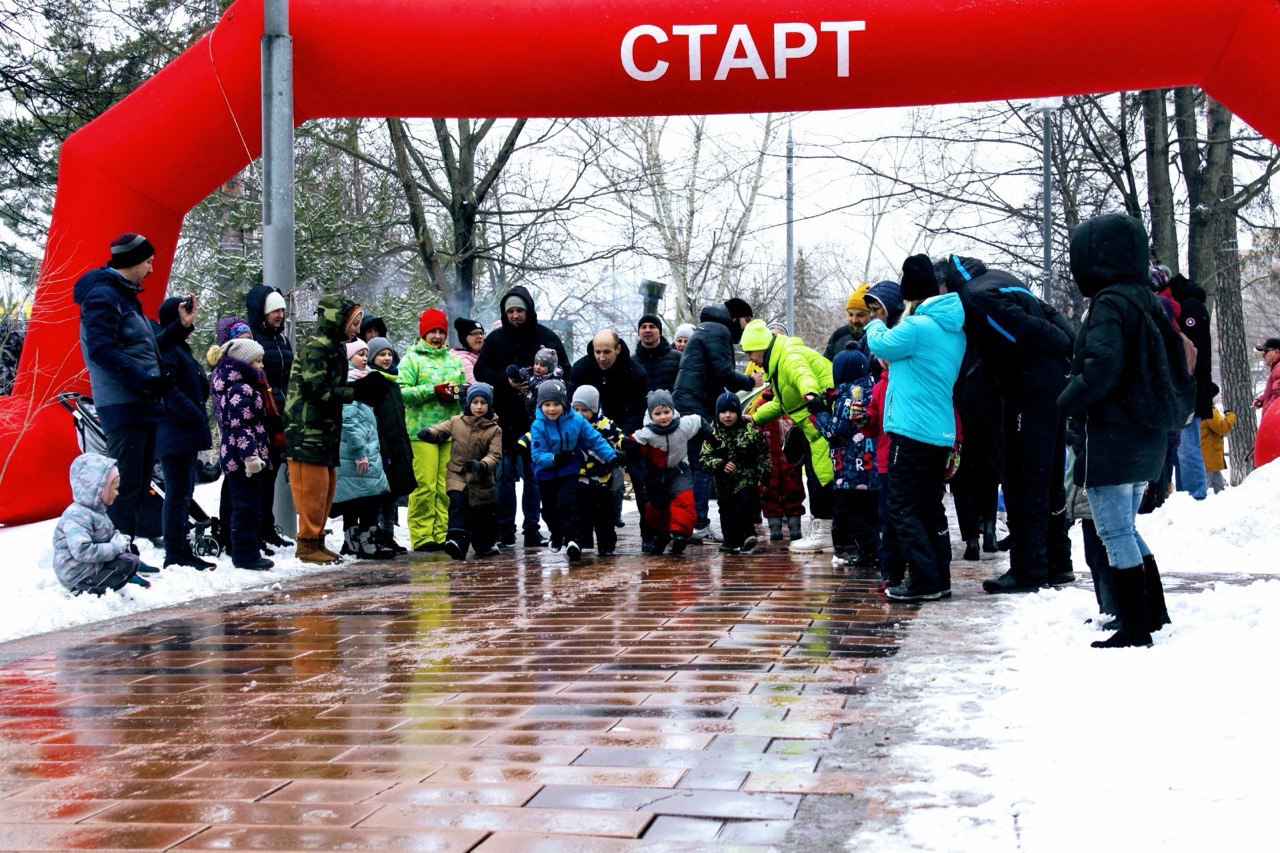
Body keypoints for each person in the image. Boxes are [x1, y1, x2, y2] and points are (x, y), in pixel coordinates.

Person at [1059, 212, 1175, 649]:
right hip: (1144, 431)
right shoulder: (1146, 298)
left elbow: (1101, 368)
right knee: (1125, 526)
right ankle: (1152, 612)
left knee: (1114, 531)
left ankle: (1134, 626)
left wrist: (1065, 401)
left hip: (1112, 433)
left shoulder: (1109, 303)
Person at [934, 252, 1076, 593]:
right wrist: (1065, 346)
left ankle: (1029, 570)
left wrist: (1060, 344)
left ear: (945, 283)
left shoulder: (976, 297)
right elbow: (1050, 314)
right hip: (1050, 384)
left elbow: (1030, 329)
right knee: (1049, 475)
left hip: (1028, 387)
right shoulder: (1000, 278)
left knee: (1025, 477)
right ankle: (1058, 564)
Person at [74, 233, 184, 562]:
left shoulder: (124, 299)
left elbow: (143, 346)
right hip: (123, 403)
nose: (152, 269)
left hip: (140, 402)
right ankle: (111, 559)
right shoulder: (103, 298)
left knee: (134, 484)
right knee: (123, 485)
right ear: (132, 262)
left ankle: (125, 553)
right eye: (148, 262)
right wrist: (146, 381)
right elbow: (102, 350)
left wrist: (180, 328)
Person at [864, 255, 966, 601]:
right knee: (930, 506)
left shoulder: (918, 326)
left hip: (911, 431)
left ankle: (923, 581)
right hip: (940, 431)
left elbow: (879, 345)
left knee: (903, 506)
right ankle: (940, 578)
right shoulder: (953, 330)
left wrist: (875, 321)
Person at [473, 285, 568, 547]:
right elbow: (481, 371)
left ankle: (531, 528)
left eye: (520, 310)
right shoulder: (495, 340)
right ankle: (505, 528)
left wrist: (547, 385)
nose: (515, 315)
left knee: (534, 475)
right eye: (511, 311)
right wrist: (506, 381)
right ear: (505, 314)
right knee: (504, 475)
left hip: (537, 420)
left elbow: (566, 370)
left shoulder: (546, 337)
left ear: (528, 311)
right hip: (504, 418)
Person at [740, 319, 836, 553]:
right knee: (816, 476)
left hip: (822, 421)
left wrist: (811, 394)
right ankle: (823, 530)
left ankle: (825, 534)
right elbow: (782, 403)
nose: (750, 359)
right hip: (814, 423)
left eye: (751, 352)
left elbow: (803, 376)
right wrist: (756, 417)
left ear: (762, 347)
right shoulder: (777, 362)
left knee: (822, 477)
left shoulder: (789, 357)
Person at [285, 294, 367, 564]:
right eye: (354, 323)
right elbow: (315, 389)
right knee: (311, 487)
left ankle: (316, 539)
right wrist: (354, 391)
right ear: (339, 320)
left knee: (325, 486)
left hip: (324, 428)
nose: (357, 329)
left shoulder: (332, 347)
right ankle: (307, 543)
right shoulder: (316, 347)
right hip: (307, 429)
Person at [673, 305, 753, 540]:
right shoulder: (718, 330)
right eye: (746, 320)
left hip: (690, 402)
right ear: (736, 318)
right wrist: (751, 380)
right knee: (703, 466)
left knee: (694, 465)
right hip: (697, 406)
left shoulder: (706, 329)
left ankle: (691, 522)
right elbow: (723, 373)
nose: (746, 327)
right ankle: (699, 524)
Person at [153, 295, 214, 570]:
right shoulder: (168, 349)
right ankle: (175, 552)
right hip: (175, 430)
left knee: (183, 492)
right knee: (178, 493)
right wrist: (192, 411)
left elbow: (197, 387)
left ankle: (180, 550)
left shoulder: (179, 348)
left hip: (182, 430)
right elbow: (170, 390)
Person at [399, 308, 466, 552]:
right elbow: (401, 392)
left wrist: (459, 393)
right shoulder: (411, 359)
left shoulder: (453, 359)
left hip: (448, 432)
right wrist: (432, 390)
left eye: (441, 331)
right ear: (423, 333)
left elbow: (461, 389)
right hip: (420, 432)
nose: (437, 336)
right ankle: (421, 536)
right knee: (424, 486)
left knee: (444, 487)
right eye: (433, 331)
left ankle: (441, 534)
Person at [529, 379, 617, 561]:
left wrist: (611, 455)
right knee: (550, 510)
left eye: (556, 404)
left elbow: (594, 439)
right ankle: (556, 534)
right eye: (547, 405)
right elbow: (537, 455)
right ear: (540, 405)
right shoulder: (538, 425)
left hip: (568, 470)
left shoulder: (576, 420)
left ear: (564, 404)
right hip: (546, 473)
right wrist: (554, 458)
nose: (551, 409)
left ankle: (573, 539)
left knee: (568, 503)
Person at [418, 383, 504, 560]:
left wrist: (481, 465)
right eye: (475, 402)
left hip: (482, 478)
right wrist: (429, 433)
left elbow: (495, 455)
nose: (479, 407)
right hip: (457, 473)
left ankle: (484, 544)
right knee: (458, 505)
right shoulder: (457, 421)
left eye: (483, 402)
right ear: (469, 403)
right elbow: (440, 430)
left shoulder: (494, 429)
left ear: (489, 405)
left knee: (482, 514)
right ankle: (456, 541)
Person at [812, 345, 879, 568]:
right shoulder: (871, 390)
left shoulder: (846, 398)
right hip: (872, 466)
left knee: (849, 513)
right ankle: (869, 553)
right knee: (869, 513)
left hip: (850, 469)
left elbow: (833, 432)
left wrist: (818, 411)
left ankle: (871, 551)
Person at [211, 337, 274, 570]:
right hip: (242, 459)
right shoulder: (240, 388)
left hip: (244, 455)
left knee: (248, 505)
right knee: (245, 506)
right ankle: (245, 554)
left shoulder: (244, 386)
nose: (261, 366)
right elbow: (240, 426)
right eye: (257, 361)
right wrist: (250, 457)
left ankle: (248, 550)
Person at [53, 453, 151, 595]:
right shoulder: (77, 515)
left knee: (131, 560)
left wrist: (120, 541)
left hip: (91, 568)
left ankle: (109, 586)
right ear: (99, 489)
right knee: (128, 562)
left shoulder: (97, 512)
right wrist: (115, 547)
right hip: (78, 574)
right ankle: (85, 590)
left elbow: (105, 536)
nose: (117, 493)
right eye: (115, 488)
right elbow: (82, 551)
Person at [624, 390, 704, 556]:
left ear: (673, 411)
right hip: (655, 476)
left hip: (679, 470)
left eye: (667, 412)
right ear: (650, 414)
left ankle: (680, 534)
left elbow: (699, 421)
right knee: (656, 509)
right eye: (658, 413)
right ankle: (662, 535)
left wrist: (714, 438)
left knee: (684, 500)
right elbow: (630, 443)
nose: (663, 417)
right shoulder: (646, 433)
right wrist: (621, 452)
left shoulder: (683, 425)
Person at [331, 341, 392, 559]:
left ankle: (355, 540)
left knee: (360, 496)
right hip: (355, 453)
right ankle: (365, 540)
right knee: (364, 498)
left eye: (366, 354)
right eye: (359, 354)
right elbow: (349, 421)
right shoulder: (349, 384)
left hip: (365, 449)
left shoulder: (365, 381)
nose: (365, 358)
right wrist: (359, 452)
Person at [245, 284, 294, 549]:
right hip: (262, 412)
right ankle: (255, 528)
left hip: (280, 413)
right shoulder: (252, 338)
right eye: (275, 310)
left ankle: (267, 525)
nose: (280, 315)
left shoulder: (282, 340)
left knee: (273, 469)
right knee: (260, 473)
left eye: (282, 311)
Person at [1163, 269, 1213, 501]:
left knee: (1187, 446)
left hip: (1189, 389)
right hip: (1188, 388)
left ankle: (1195, 496)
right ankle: (1187, 496)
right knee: (1183, 446)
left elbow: (1192, 352)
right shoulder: (1186, 303)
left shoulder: (1190, 306)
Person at [700, 391, 769, 554]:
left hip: (746, 477)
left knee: (745, 504)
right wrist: (720, 464)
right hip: (724, 484)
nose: (728, 416)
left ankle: (748, 535)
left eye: (732, 411)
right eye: (723, 412)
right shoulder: (713, 434)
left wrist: (762, 472)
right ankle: (730, 540)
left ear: (739, 412)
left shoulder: (749, 432)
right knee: (726, 510)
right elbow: (704, 458)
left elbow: (762, 453)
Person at [364, 337, 415, 553]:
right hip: (381, 445)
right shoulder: (371, 381)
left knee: (393, 494)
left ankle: (388, 534)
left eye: (389, 354)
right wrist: (382, 447)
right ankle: (376, 536)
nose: (386, 358)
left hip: (397, 444)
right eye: (381, 355)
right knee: (380, 495)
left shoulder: (394, 381)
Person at [746, 361, 805, 542]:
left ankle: (795, 525)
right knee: (768, 490)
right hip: (768, 458)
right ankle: (774, 527)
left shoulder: (792, 401)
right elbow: (755, 429)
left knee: (793, 488)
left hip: (789, 457)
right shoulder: (761, 403)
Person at [571, 385, 624, 556]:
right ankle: (580, 542)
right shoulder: (570, 425)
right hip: (578, 477)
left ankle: (606, 544)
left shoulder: (604, 424)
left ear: (594, 409)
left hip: (601, 478)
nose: (579, 414)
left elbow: (618, 437)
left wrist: (624, 446)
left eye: (584, 410)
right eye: (576, 409)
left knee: (604, 515)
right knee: (580, 513)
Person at [1200, 382, 1236, 494]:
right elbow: (1222, 428)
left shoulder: (1200, 409)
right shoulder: (1209, 411)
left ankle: (1222, 496)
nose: (1218, 397)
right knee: (1204, 482)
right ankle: (1196, 502)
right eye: (1216, 395)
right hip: (1210, 453)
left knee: (1218, 481)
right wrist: (1230, 416)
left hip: (1208, 453)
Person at [510, 347, 564, 419]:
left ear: (550, 368)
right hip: (528, 410)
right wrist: (514, 374)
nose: (538, 367)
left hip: (545, 413)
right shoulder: (530, 373)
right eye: (536, 363)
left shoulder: (553, 380)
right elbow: (521, 376)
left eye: (542, 365)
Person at [634, 314, 682, 394]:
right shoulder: (632, 363)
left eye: (652, 326)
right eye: (643, 327)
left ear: (660, 331)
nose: (647, 330)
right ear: (639, 332)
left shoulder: (678, 358)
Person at [823, 284, 872, 361]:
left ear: (872, 314)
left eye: (860, 315)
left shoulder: (879, 337)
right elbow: (825, 365)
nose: (854, 320)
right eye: (850, 314)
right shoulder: (839, 335)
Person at [453, 317, 485, 384]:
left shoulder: (485, 355)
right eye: (474, 333)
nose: (480, 336)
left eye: (481, 333)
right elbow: (473, 383)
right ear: (464, 339)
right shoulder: (462, 359)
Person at [1254, 337, 1280, 414]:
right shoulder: (1276, 367)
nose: (1263, 356)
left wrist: (1267, 409)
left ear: (1277, 351)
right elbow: (1272, 391)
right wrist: (1262, 399)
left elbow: (1278, 394)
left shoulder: (1278, 368)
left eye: (1265, 352)